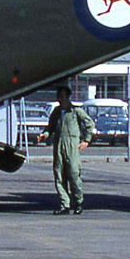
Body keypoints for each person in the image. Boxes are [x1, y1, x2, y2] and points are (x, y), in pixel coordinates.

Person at [45, 85, 95, 215]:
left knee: (73, 174)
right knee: (59, 175)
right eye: (58, 97)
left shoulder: (75, 111)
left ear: (68, 97)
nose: (60, 99)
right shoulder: (56, 112)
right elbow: (50, 128)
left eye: (62, 96)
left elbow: (89, 123)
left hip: (72, 146)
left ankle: (79, 202)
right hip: (59, 145)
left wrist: (86, 140)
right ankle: (64, 205)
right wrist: (44, 135)